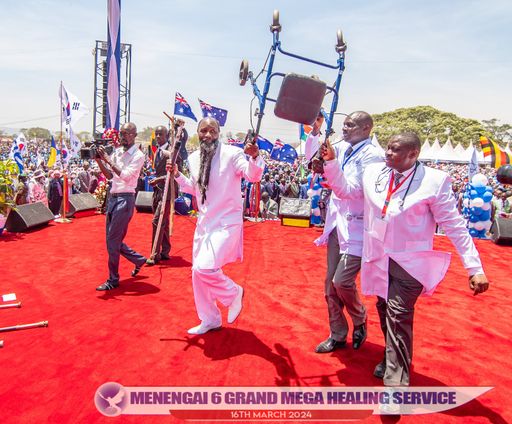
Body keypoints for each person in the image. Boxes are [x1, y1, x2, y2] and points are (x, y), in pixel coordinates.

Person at [322, 131, 489, 387]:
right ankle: (392, 358)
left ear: (413, 154)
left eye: (395, 149)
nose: (388, 152)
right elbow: (346, 190)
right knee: (384, 310)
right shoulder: (373, 172)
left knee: (398, 315)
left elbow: (454, 226)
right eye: (388, 147)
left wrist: (474, 267)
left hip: (410, 263)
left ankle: (396, 384)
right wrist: (332, 163)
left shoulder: (434, 181)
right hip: (378, 259)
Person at [167, 117, 264, 335]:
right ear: (198, 132)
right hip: (204, 224)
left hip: (226, 222)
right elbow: (196, 189)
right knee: (197, 274)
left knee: (204, 268)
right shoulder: (193, 158)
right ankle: (210, 319)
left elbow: (252, 176)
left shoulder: (232, 154)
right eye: (203, 131)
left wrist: (254, 157)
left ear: (219, 132)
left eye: (212, 130)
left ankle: (233, 293)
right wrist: (178, 175)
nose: (208, 135)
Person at [307, 111, 382, 353]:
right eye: (344, 124)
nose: (345, 128)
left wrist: (330, 164)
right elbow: (312, 157)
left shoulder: (373, 156)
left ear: (366, 128)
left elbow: (351, 191)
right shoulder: (341, 146)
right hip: (336, 225)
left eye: (350, 125)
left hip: (359, 228)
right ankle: (337, 334)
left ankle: (359, 316)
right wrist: (316, 132)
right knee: (330, 286)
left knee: (342, 281)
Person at [94, 122, 147, 291]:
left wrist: (108, 159)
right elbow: (110, 176)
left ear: (134, 135)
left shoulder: (138, 155)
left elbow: (125, 176)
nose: (123, 136)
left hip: (125, 198)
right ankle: (138, 259)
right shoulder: (117, 152)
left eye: (127, 133)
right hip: (113, 197)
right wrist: (99, 161)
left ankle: (113, 279)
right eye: (122, 133)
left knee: (112, 240)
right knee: (112, 240)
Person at [146, 125, 174, 266]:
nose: (157, 137)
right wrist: (154, 178)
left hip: (167, 192)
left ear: (167, 135)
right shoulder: (157, 151)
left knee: (157, 221)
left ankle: (154, 254)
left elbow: (176, 173)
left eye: (161, 134)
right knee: (163, 222)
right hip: (157, 191)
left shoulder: (172, 151)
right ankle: (165, 251)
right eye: (156, 134)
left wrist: (158, 179)